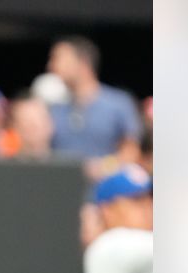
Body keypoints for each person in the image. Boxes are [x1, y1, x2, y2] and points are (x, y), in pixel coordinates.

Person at [45, 36, 143, 178]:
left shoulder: (117, 103)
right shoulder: (54, 108)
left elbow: (131, 151)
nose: (52, 66)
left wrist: (105, 167)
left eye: (59, 59)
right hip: (61, 187)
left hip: (104, 191)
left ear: (83, 63)